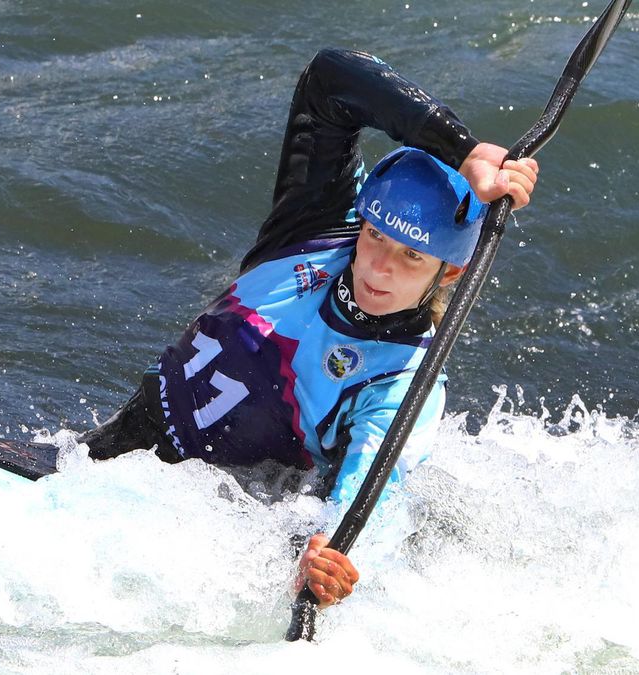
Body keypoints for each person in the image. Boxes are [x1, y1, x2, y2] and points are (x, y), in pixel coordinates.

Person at [79, 48, 538, 608]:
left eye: (412, 259)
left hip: (207, 538)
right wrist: (462, 148)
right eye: (375, 238)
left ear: (452, 270)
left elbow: (374, 490)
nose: (377, 268)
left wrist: (336, 555)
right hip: (105, 463)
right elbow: (330, 80)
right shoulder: (315, 228)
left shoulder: (400, 382)